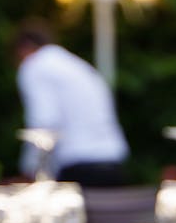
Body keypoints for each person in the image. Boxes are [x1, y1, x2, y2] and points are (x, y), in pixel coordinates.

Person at [10, 19, 130, 185]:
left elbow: (44, 123)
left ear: (23, 48)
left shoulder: (35, 65)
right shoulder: (75, 65)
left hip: (78, 165)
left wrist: (30, 170)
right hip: (112, 161)